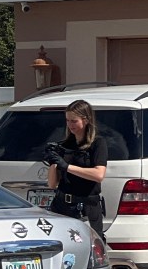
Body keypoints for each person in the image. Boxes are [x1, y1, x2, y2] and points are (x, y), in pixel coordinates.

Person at [43, 99, 107, 235]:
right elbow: (52, 184)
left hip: (86, 206)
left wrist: (67, 166)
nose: (70, 125)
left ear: (86, 120)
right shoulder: (65, 144)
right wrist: (53, 161)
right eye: (67, 121)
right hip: (62, 204)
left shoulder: (97, 143)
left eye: (74, 121)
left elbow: (99, 175)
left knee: (89, 246)